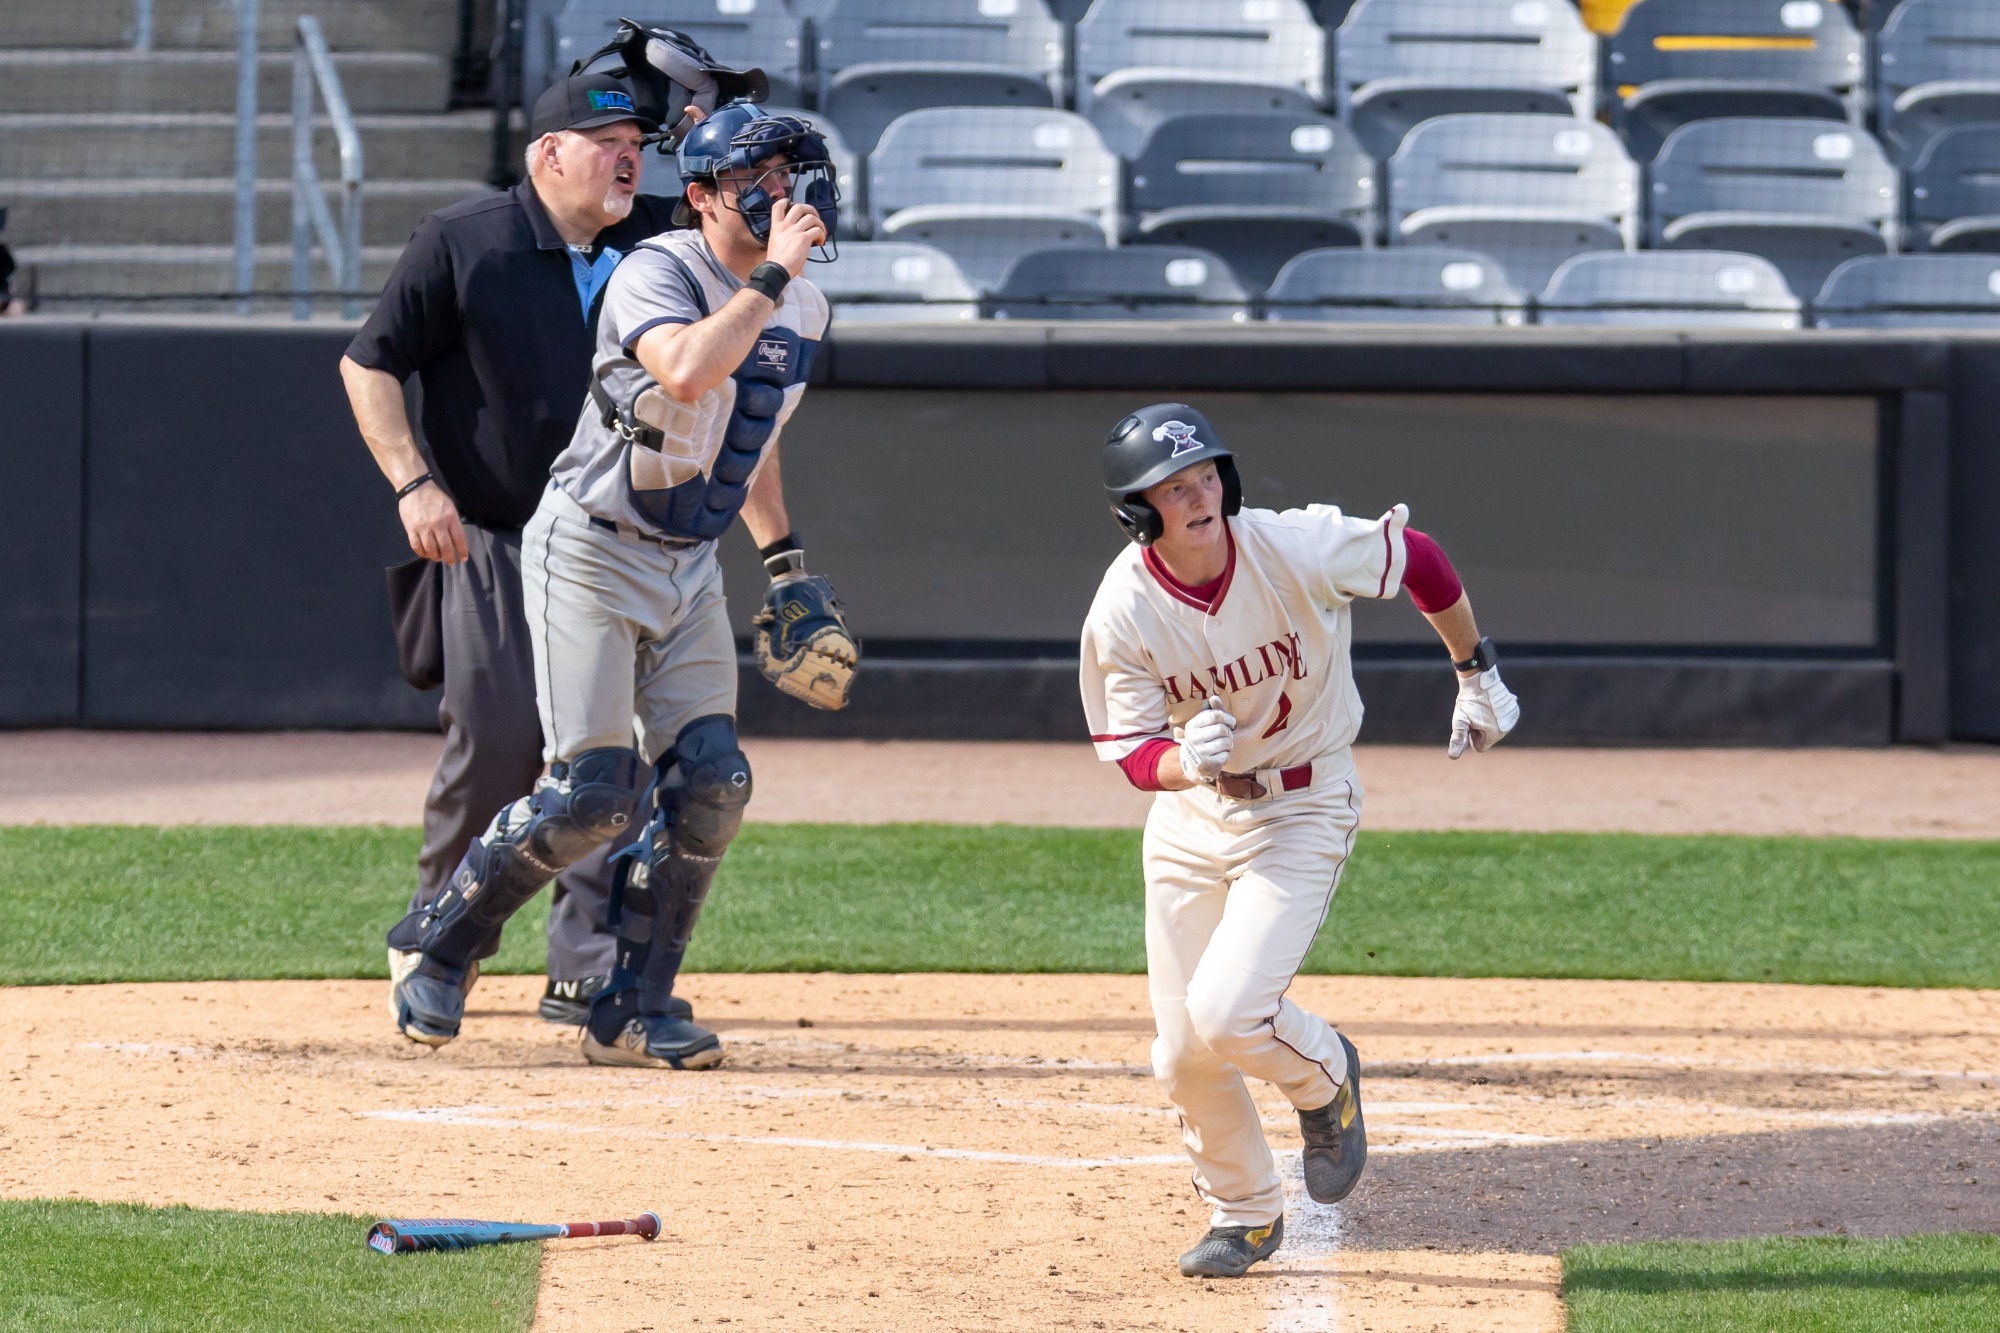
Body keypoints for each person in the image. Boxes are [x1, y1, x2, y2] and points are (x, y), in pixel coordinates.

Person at [385, 101, 856, 1070]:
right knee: (592, 795)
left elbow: (750, 430)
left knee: (714, 782)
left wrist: (785, 566)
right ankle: (442, 941)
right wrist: (771, 275)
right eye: (758, 180)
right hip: (591, 547)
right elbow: (687, 372)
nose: (783, 195)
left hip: (689, 561)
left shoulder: (800, 306)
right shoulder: (658, 270)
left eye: (790, 175)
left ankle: (630, 1005)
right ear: (698, 198)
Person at [340, 47, 752, 1028]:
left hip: (627, 541)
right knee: (494, 744)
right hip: (496, 537)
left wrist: (723, 130)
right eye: (604, 144)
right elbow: (369, 363)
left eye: (636, 145)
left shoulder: (660, 237)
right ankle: (436, 940)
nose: (626, 162)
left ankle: (587, 961)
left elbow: (745, 242)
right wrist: (413, 482)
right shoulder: (464, 239)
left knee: (608, 760)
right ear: (545, 154)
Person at [1077, 404, 1520, 1278]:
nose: (1198, 493)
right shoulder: (1123, 606)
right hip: (1190, 821)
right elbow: (1130, 750)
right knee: (1181, 1050)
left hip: (1304, 804)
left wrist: (1480, 671)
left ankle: (1327, 1080)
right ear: (1138, 511)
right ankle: (1244, 1211)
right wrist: (1181, 763)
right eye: (1173, 486)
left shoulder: (1293, 546)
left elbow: (1418, 557)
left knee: (1233, 1010)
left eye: (1205, 473)